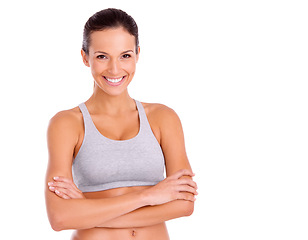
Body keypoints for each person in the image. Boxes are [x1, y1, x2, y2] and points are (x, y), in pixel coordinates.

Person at [45, 8, 198, 240]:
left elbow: (185, 204)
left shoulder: (163, 118)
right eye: (102, 56)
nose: (115, 69)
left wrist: (86, 209)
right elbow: (60, 218)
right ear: (85, 57)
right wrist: (148, 197)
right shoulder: (67, 124)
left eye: (125, 55)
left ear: (137, 54)